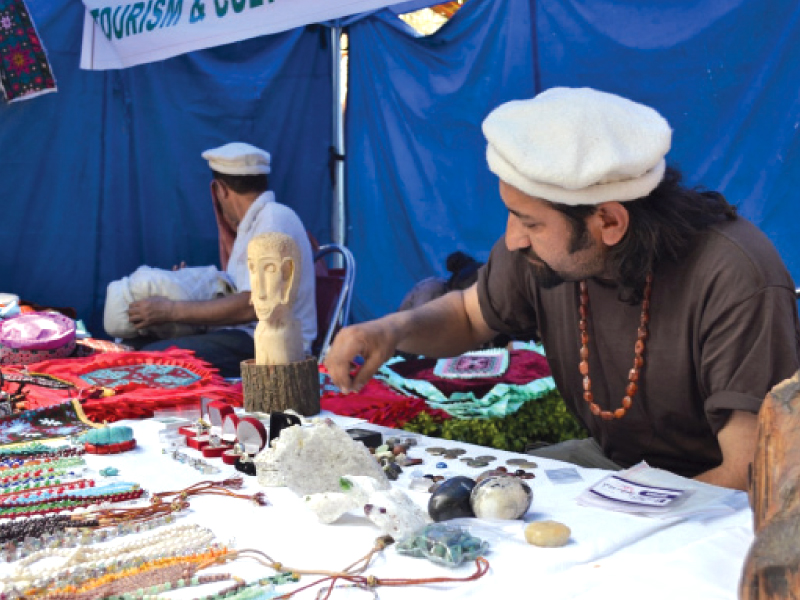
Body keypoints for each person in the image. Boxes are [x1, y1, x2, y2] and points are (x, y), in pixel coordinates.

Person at [324, 87, 800, 491]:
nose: (512, 239)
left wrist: (622, 522)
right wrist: (391, 330)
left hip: (713, 494)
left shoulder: (736, 276)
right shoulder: (539, 252)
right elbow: (469, 316)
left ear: (609, 220)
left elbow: (748, 473)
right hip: (618, 468)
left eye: (529, 221)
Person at [127, 142, 316, 377]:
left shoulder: (273, 220)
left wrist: (172, 310)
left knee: (151, 360)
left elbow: (252, 305)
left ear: (220, 189)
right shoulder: (255, 223)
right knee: (132, 347)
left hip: (270, 343)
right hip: (243, 334)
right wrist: (187, 286)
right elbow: (236, 291)